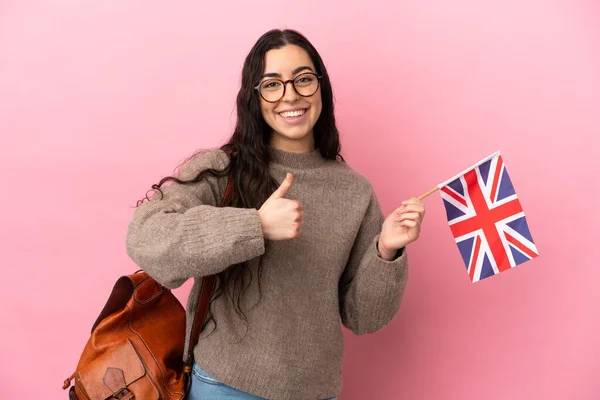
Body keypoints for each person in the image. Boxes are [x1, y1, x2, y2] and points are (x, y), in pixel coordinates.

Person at [126, 28, 425, 400]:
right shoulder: (222, 170)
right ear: (254, 96)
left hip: (316, 392)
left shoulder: (354, 190)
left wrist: (387, 251)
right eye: (272, 84)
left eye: (303, 79)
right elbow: (145, 237)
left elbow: (364, 317)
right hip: (225, 386)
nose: (290, 95)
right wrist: (255, 225)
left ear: (321, 87)